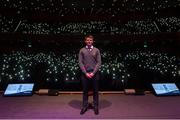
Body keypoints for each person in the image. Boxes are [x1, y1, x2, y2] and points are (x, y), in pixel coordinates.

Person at [78, 35, 101, 115]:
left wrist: (93, 73)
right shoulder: (82, 50)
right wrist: (86, 73)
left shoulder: (96, 50)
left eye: (90, 40)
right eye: (87, 40)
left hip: (95, 74)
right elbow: (80, 62)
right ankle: (84, 106)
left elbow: (99, 62)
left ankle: (96, 106)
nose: (89, 41)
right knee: (85, 91)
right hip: (85, 74)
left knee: (95, 91)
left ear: (93, 41)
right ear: (85, 41)